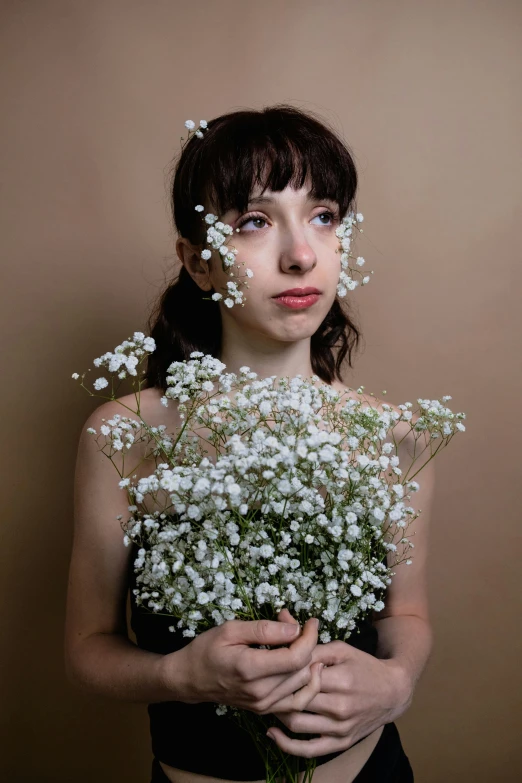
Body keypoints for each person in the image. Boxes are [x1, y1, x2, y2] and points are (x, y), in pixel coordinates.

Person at [64, 104, 435, 782]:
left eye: (324, 215)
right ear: (198, 264)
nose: (301, 253)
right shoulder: (125, 436)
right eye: (255, 222)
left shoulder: (395, 434)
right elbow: (88, 648)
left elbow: (407, 613)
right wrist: (182, 673)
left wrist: (397, 682)